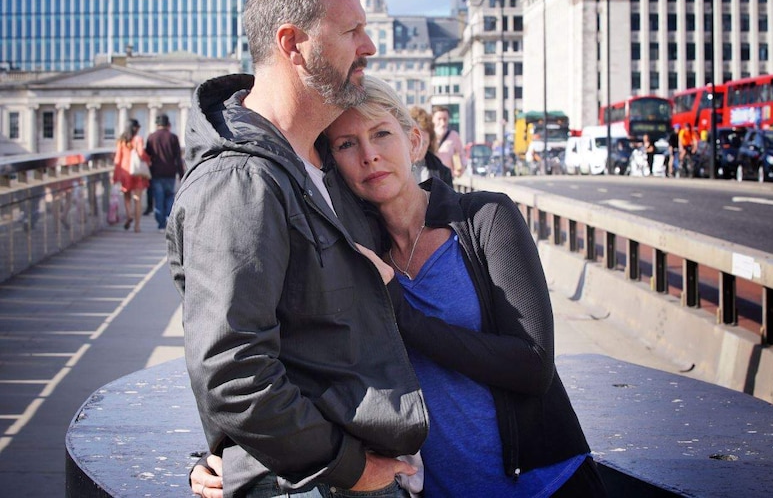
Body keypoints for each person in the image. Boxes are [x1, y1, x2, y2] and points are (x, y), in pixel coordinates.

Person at [192, 75, 608, 497]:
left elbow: (533, 365)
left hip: (547, 484)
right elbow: (291, 360)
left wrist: (402, 314)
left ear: (414, 143)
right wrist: (227, 456)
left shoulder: (484, 218)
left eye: (381, 134)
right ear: (332, 163)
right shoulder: (351, 253)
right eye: (347, 144)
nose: (369, 156)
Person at [166, 0, 427, 498]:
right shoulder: (239, 182)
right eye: (352, 30)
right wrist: (350, 468)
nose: (370, 47)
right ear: (293, 45)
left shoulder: (321, 165)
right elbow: (233, 371)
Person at [145, 114, 183, 232]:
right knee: (170, 196)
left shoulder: (151, 137)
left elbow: (147, 156)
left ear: (157, 125)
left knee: (159, 198)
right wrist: (181, 174)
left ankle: (161, 224)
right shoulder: (173, 137)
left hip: (156, 173)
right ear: (168, 125)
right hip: (170, 172)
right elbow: (178, 158)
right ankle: (169, 219)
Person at [112, 118, 150, 232]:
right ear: (135, 128)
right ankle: (137, 226)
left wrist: (115, 175)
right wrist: (148, 159)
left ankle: (129, 215)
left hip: (125, 172)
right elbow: (141, 154)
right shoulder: (138, 139)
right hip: (136, 172)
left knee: (127, 197)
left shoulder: (121, 140)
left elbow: (117, 158)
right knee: (137, 199)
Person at [409, 106, 453, 187]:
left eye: (423, 143)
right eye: (413, 142)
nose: (418, 148)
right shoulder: (391, 167)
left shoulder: (443, 172)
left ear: (430, 142)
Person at [431, 106, 466, 178]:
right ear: (433, 119)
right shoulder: (428, 135)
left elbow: (461, 155)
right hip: (431, 177)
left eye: (445, 119)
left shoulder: (454, 136)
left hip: (447, 178)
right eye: (439, 119)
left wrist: (460, 169)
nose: (442, 123)